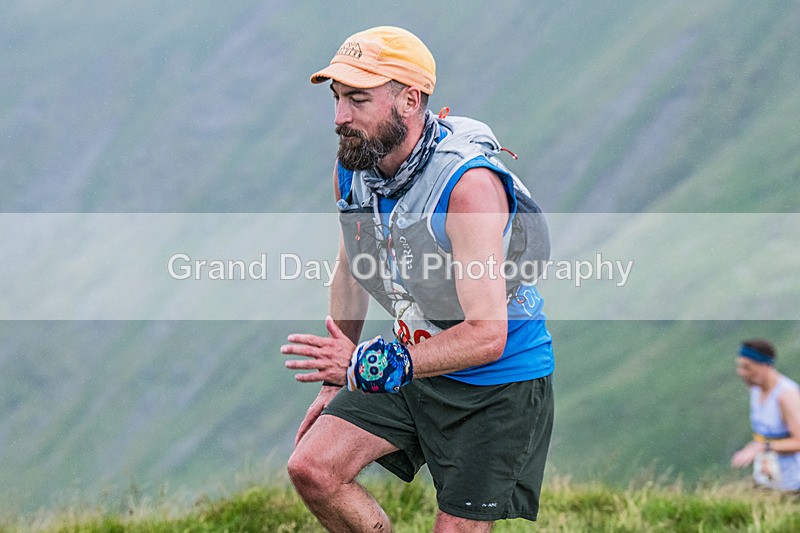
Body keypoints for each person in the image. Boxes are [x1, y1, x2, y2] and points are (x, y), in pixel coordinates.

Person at [282, 25, 554, 532]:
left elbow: (487, 336)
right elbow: (352, 267)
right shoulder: (356, 163)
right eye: (337, 99)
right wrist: (330, 381)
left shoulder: (469, 188)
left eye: (358, 99)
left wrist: (366, 363)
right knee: (313, 469)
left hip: (495, 386)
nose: (341, 117)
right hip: (411, 366)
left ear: (409, 100)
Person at [731, 338, 800, 491]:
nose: (741, 373)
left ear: (765, 365)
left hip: (793, 485)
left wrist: (762, 447)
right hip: (766, 479)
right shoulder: (755, 389)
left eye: (747, 367)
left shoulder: (787, 396)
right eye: (740, 366)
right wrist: (756, 446)